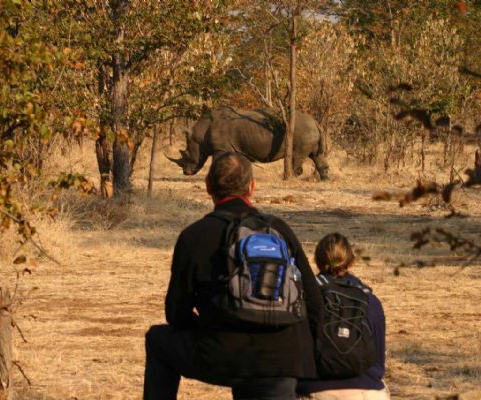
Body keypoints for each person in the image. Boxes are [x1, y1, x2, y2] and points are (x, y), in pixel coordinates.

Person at [143, 152, 324, 400]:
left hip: (222, 354)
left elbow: (176, 314)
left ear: (207, 187)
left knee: (157, 340)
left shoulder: (194, 236)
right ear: (252, 187)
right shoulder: (279, 230)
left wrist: (211, 323)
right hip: (285, 358)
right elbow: (314, 304)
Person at [297, 233, 389, 400]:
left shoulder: (305, 298)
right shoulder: (370, 300)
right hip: (367, 390)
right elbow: (378, 363)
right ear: (351, 261)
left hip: (317, 389)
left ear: (317, 262)